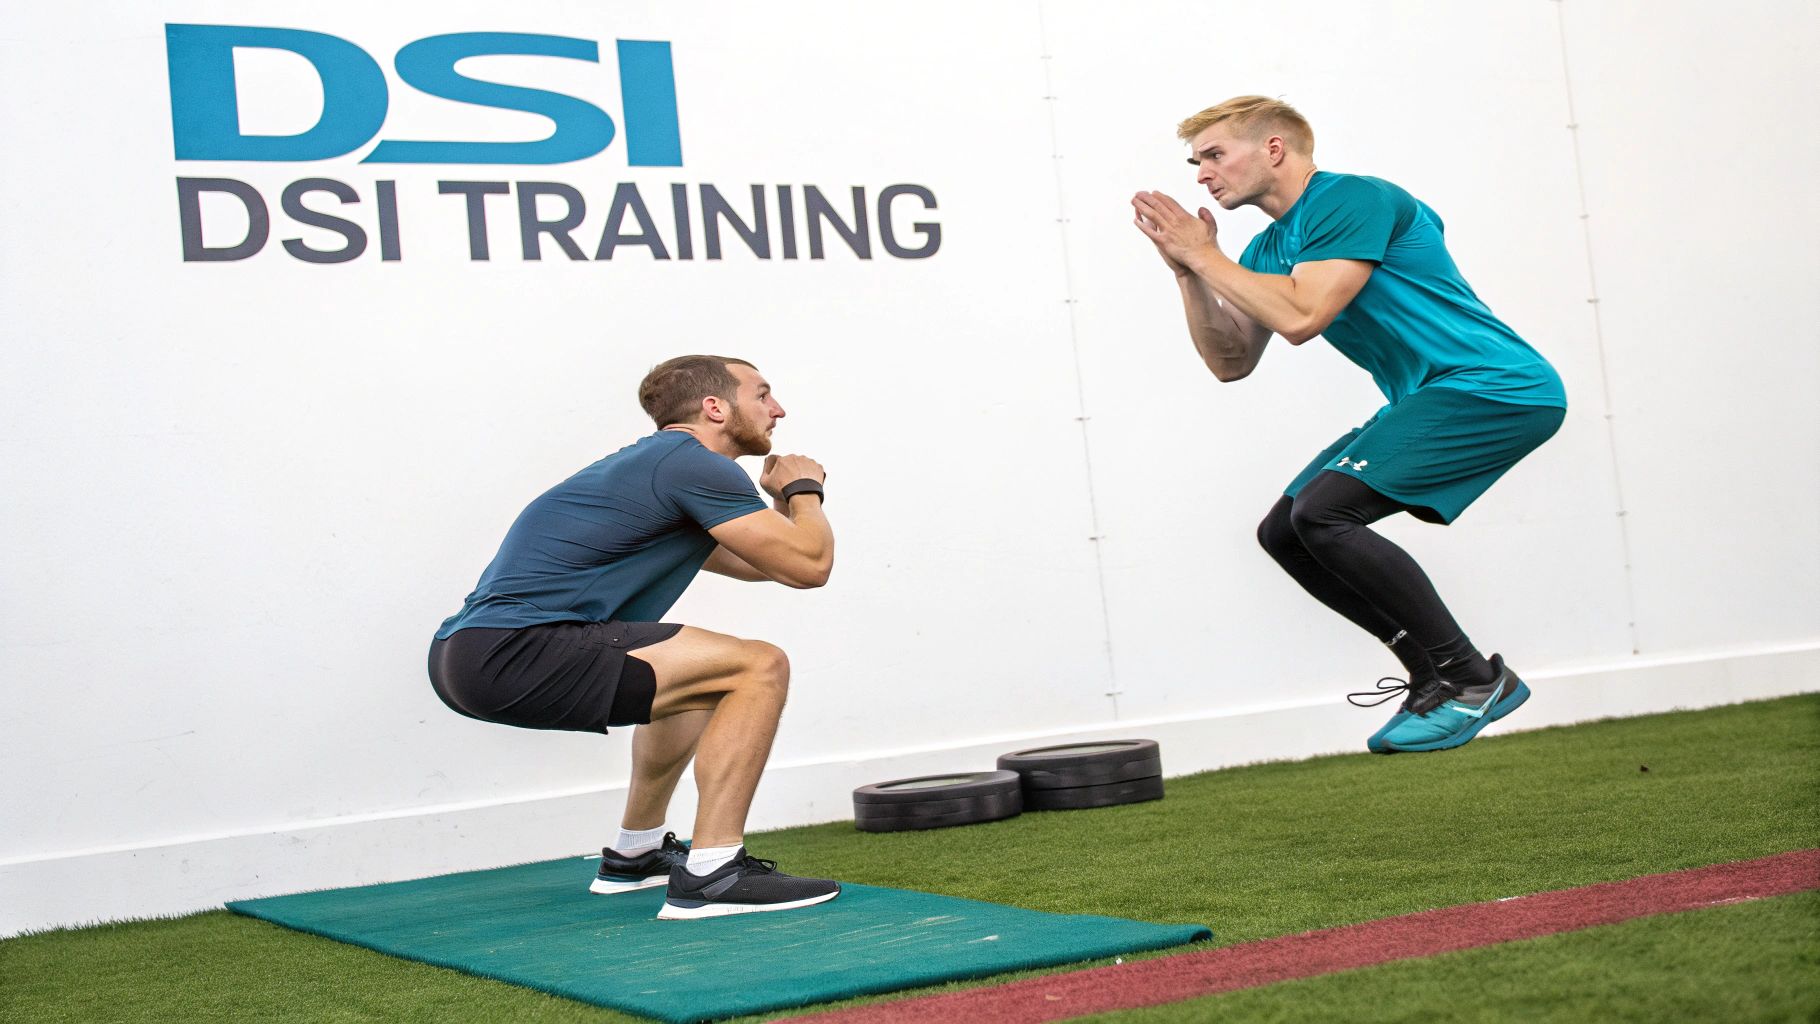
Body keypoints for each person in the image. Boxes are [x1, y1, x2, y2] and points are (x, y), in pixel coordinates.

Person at [1131, 96, 1567, 754]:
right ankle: (1432, 678)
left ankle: (1473, 679)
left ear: (1274, 148)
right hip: (1428, 395)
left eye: (1214, 155)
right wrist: (1191, 273)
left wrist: (1207, 257)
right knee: (1285, 531)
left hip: (1494, 387)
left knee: (1325, 515)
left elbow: (1303, 317)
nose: (1201, 174)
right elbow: (1231, 361)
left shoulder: (1351, 199)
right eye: (1196, 162)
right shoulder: (1269, 246)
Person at [428, 355, 841, 918]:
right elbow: (809, 566)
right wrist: (803, 490)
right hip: (516, 647)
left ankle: (637, 854)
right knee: (759, 665)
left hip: (471, 655)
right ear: (715, 407)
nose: (778, 409)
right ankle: (715, 873)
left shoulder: (661, 469)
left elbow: (765, 562)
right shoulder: (694, 465)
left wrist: (778, 507)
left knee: (705, 679)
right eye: (763, 394)